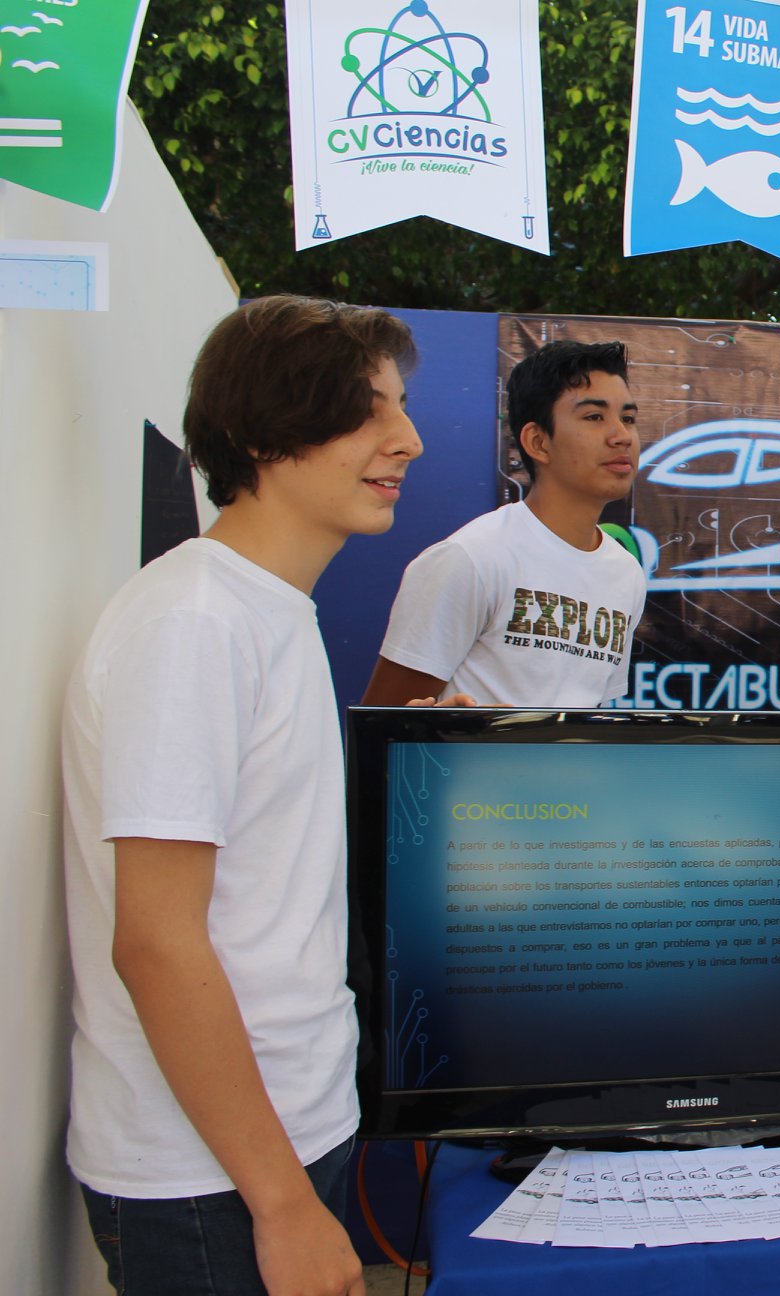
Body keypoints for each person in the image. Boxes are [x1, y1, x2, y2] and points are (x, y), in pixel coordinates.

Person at [62, 296, 424, 1295]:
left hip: (288, 1129)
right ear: (265, 434)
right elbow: (156, 941)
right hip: (210, 1176)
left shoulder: (266, 609)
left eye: (400, 407)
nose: (408, 439)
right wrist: (280, 1204)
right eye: (368, 410)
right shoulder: (195, 622)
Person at [363, 339, 647, 707]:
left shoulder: (626, 573)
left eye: (628, 419)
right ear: (537, 442)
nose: (621, 436)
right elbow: (384, 721)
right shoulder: (470, 558)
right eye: (594, 417)